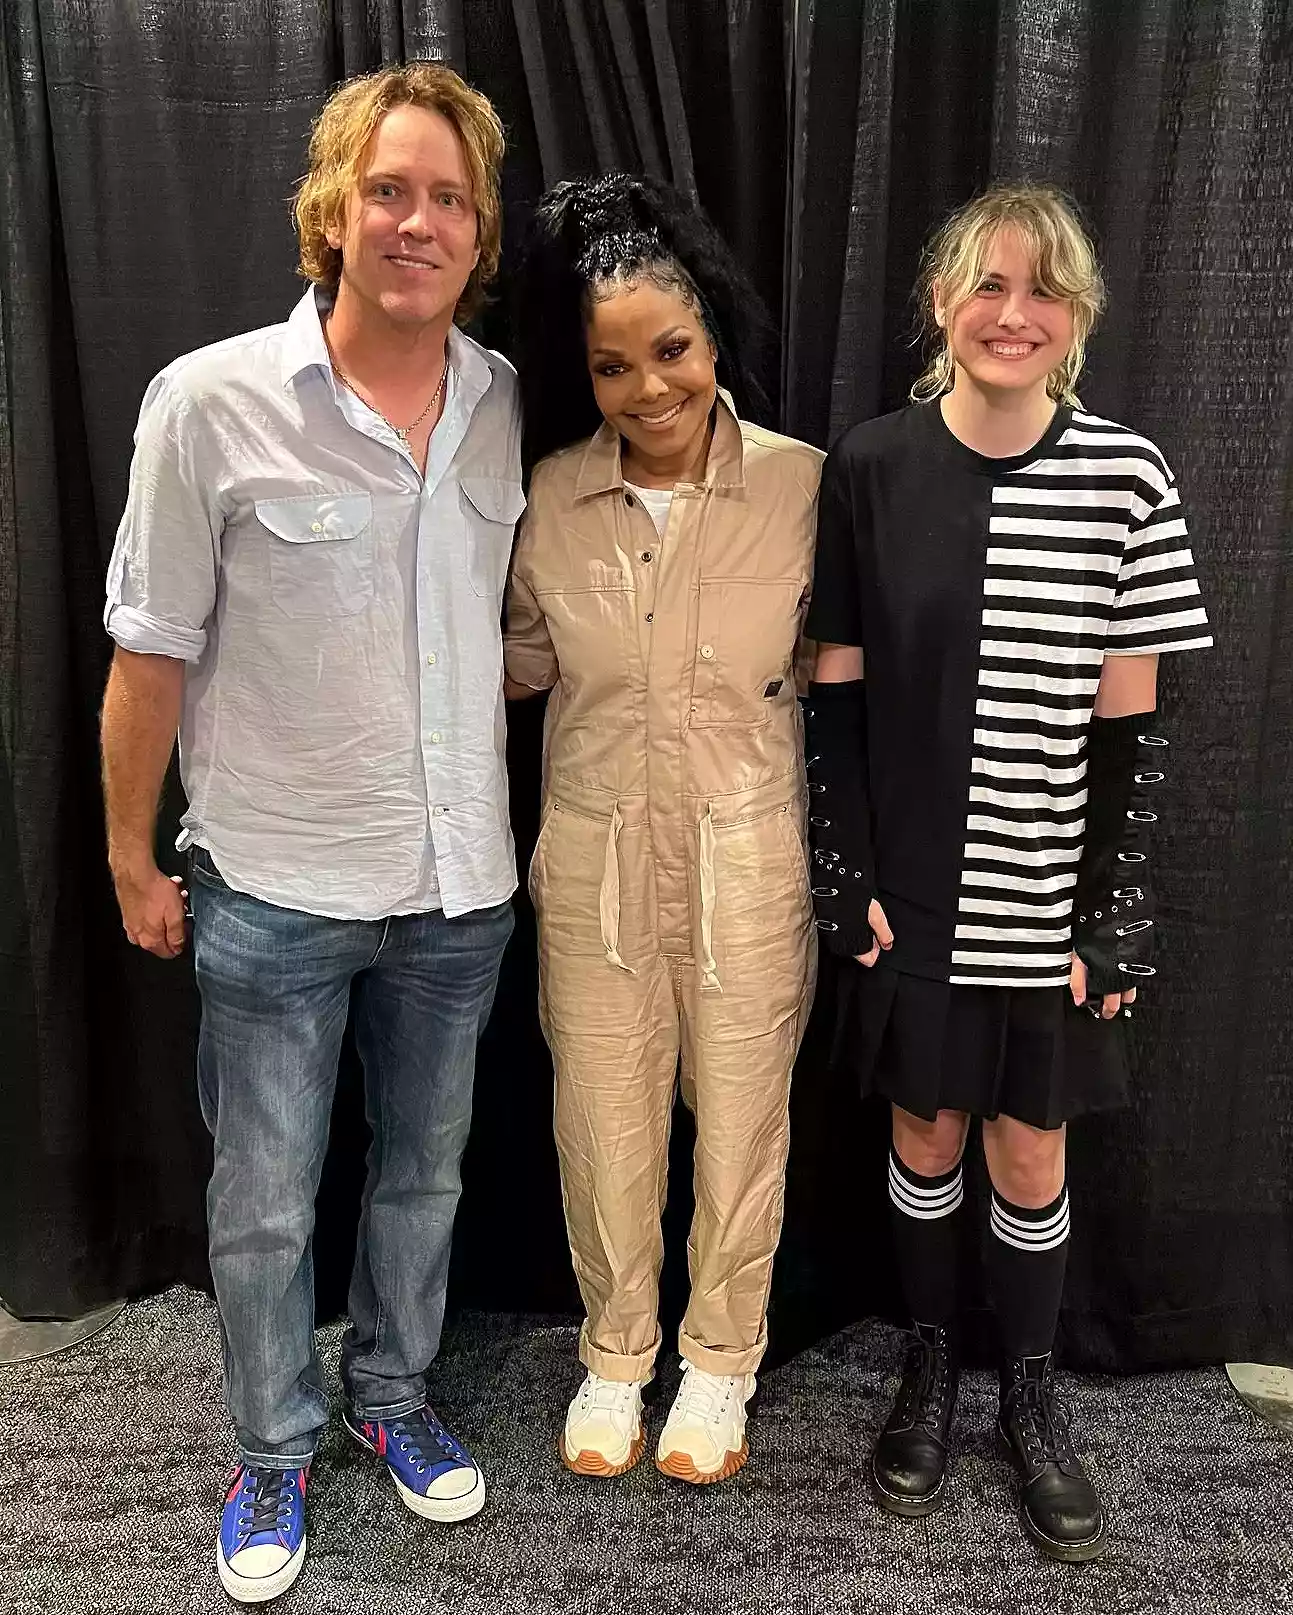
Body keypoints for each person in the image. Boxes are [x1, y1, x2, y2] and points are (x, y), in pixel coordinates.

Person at [100, 63, 522, 1604]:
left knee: (425, 1174)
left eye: (450, 198)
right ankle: (270, 1446)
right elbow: (148, 653)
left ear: (479, 234)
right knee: (267, 1200)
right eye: (390, 190)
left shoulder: (501, 402)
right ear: (333, 210)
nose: (418, 221)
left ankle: (392, 1402)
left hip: (459, 886)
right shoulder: (207, 403)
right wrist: (134, 858)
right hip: (271, 885)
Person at [804, 184, 1210, 1561]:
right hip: (912, 895)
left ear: (1079, 318)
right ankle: (931, 1363)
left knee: (1027, 1148)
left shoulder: (1128, 478)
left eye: (1043, 291)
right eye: (987, 284)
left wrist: (1117, 911)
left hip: (1045, 901)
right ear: (940, 305)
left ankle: (1030, 1396)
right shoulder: (869, 467)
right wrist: (843, 864)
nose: (1013, 313)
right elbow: (838, 695)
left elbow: (1138, 727)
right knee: (922, 1134)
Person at [504, 175, 819, 1485]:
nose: (647, 389)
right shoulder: (548, 499)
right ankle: (617, 1350)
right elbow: (514, 670)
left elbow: (854, 682)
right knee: (600, 1114)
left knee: (742, 1122)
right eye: (612, 365)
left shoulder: (803, 490)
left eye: (671, 352)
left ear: (715, 340)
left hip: (751, 858)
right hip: (593, 862)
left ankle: (721, 1361)